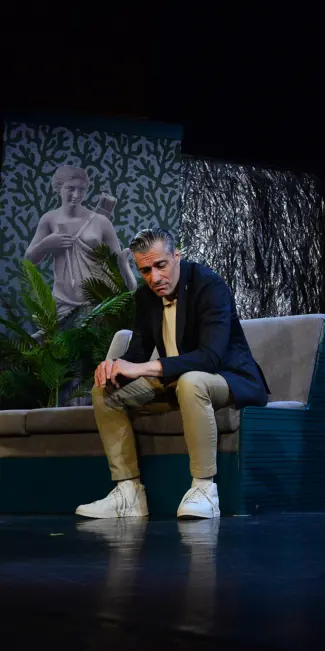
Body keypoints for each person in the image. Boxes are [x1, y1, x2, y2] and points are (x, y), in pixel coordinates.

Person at [75, 228, 270, 520]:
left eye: (160, 265)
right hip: (176, 381)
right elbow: (137, 354)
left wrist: (140, 368)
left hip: (228, 378)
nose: (154, 277)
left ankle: (205, 490)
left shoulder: (209, 285)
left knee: (192, 382)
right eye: (145, 270)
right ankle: (129, 494)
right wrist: (113, 366)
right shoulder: (146, 296)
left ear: (176, 256)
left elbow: (210, 358)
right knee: (106, 390)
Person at [24, 165, 137, 320]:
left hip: (97, 301)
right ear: (59, 188)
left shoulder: (101, 221)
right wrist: (46, 244)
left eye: (81, 189)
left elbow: (115, 263)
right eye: (70, 188)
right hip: (62, 301)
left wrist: (125, 264)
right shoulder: (49, 219)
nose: (76, 195)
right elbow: (29, 260)